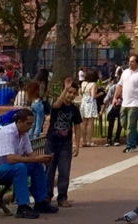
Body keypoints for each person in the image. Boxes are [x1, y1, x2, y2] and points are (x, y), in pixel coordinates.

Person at [0, 109, 56, 219]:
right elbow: (11, 159)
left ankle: (41, 202)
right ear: (19, 122)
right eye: (28, 123)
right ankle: (22, 206)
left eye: (32, 123)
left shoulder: (23, 134)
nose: (31, 126)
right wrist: (36, 159)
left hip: (8, 167)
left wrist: (41, 159)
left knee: (36, 166)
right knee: (19, 167)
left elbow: (31, 154)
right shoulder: (7, 133)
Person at [44, 79, 81, 208]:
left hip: (65, 144)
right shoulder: (57, 105)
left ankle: (62, 197)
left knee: (64, 171)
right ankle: (47, 195)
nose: (71, 95)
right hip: (52, 142)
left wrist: (77, 144)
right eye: (69, 92)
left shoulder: (74, 110)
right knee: (49, 170)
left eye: (73, 93)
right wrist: (65, 88)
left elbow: (77, 127)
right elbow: (55, 106)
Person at [112, 54, 138, 153]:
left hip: (136, 103)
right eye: (129, 61)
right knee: (124, 123)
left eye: (132, 61)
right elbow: (119, 86)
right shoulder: (125, 72)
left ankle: (130, 145)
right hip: (125, 103)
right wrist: (115, 97)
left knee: (130, 125)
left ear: (137, 63)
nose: (130, 63)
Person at [79, 70, 99, 147]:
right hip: (90, 103)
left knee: (84, 123)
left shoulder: (83, 83)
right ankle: (89, 141)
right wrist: (99, 94)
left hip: (84, 102)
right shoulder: (93, 84)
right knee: (90, 123)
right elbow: (93, 95)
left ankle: (83, 141)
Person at [104, 72, 123, 147]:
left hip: (121, 107)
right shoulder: (113, 87)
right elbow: (107, 98)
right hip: (113, 107)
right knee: (111, 124)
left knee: (120, 124)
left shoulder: (126, 88)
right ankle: (109, 139)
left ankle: (117, 139)